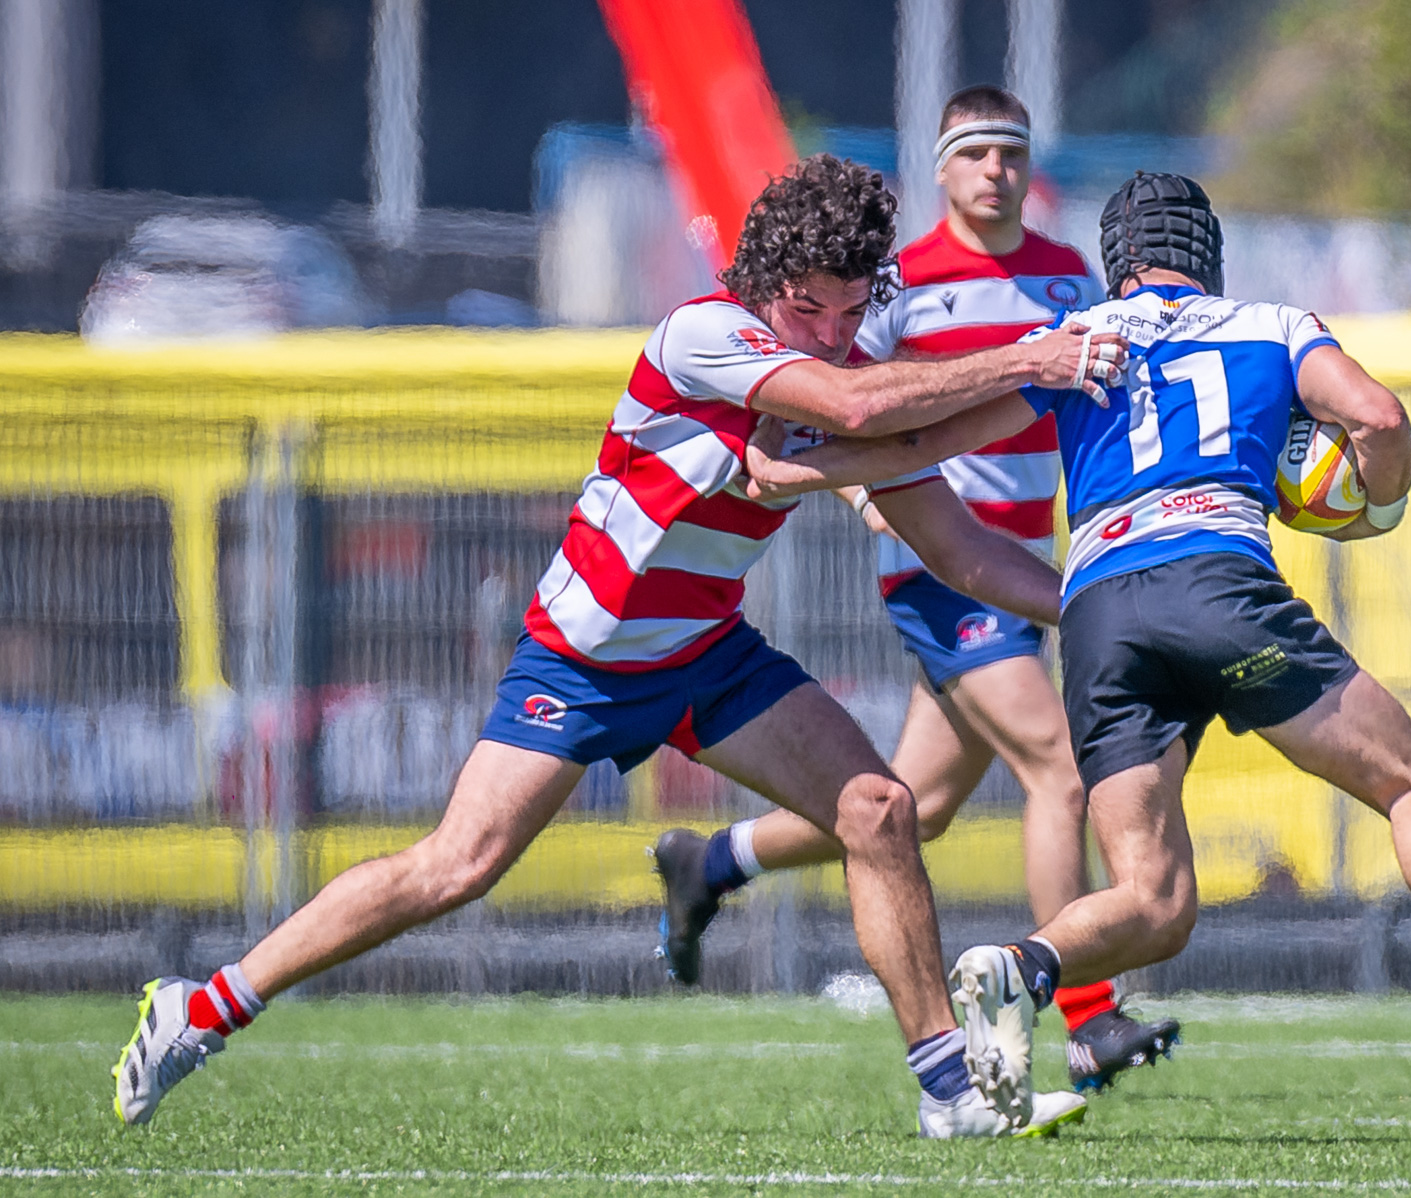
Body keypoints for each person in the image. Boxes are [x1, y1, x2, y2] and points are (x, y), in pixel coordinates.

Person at [110, 154, 1130, 1139]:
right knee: (454, 866)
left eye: (850, 311)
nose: (828, 333)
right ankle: (202, 1009)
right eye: (808, 308)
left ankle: (948, 1090)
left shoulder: (844, 371)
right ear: (765, 281)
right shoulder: (705, 333)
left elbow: (963, 552)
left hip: (706, 651)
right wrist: (1038, 360)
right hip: (583, 662)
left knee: (880, 809)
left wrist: (1095, 602)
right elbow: (862, 414)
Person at [740, 171, 1411, 1127]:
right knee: (1410, 785)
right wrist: (1378, 502)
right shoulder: (1276, 327)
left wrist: (796, 462)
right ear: (1209, 251)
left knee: (1155, 898)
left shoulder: (1076, 345)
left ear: (1114, 258)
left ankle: (1018, 966)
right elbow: (1377, 418)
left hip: (1097, 615)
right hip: (1218, 584)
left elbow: (930, 440)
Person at [656, 85, 1178, 1095]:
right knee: (1062, 773)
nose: (996, 170)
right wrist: (872, 506)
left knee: (909, 808)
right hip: (944, 567)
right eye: (975, 153)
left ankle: (713, 861)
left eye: (1011, 153)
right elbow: (844, 409)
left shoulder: (1070, 276)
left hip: (1023, 556)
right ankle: (1084, 1016)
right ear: (941, 170)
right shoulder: (895, 287)